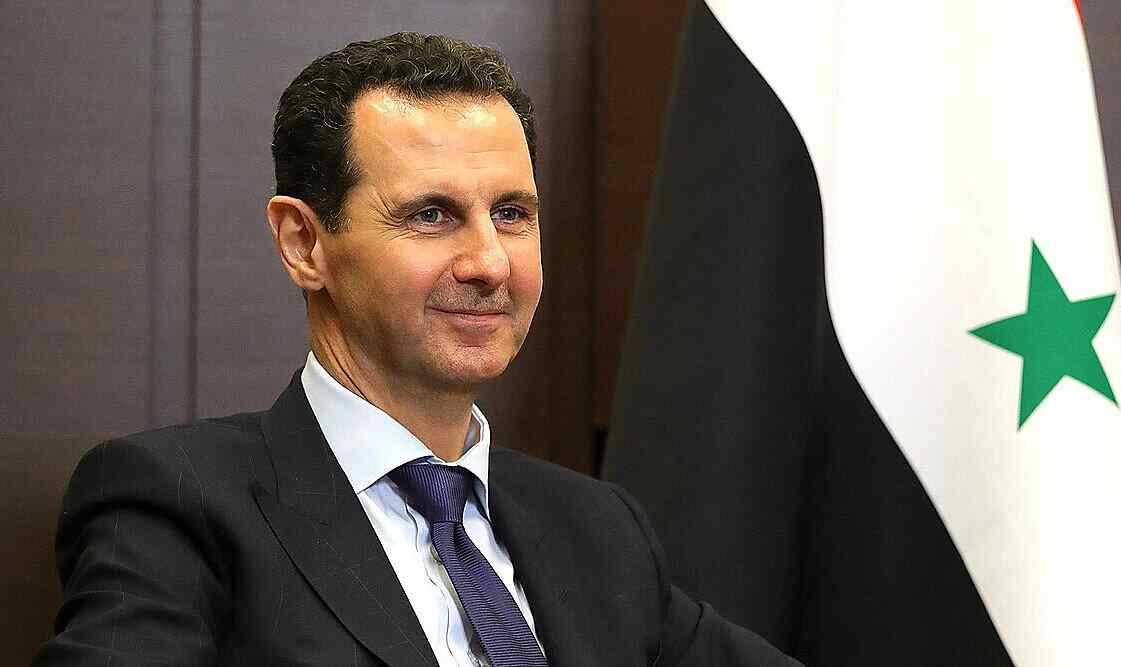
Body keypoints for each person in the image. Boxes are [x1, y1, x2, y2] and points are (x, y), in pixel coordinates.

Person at [34, 32, 800, 666]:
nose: (489, 262)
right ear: (303, 243)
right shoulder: (177, 504)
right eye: (432, 215)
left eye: (512, 213)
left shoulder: (599, 528)